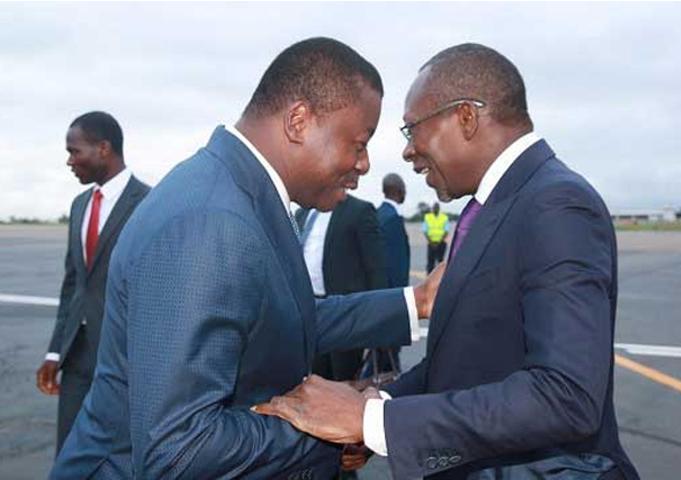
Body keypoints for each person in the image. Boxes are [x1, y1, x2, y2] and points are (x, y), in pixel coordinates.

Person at [50, 38, 441, 480]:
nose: (365, 164)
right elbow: (179, 450)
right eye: (359, 143)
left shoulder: (243, 194)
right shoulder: (210, 220)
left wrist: (417, 301)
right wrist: (334, 428)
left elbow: (284, 318)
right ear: (298, 120)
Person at [255, 43, 640, 480]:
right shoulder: (493, 207)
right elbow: (463, 363)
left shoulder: (556, 204)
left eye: (412, 129)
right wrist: (376, 404)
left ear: (466, 117)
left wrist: (374, 423)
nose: (407, 151)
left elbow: (566, 395)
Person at [35, 111, 149, 454]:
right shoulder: (80, 205)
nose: (69, 161)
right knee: (69, 453)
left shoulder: (149, 204)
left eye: (75, 151)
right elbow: (73, 285)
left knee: (119, 456)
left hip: (124, 357)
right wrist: (55, 351)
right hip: (77, 355)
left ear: (103, 148)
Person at [297, 194, 388, 383]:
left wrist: (379, 317)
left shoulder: (359, 211)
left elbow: (375, 267)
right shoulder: (302, 214)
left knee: (344, 379)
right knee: (314, 380)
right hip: (311, 309)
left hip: (345, 312)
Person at [372, 173, 411, 373]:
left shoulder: (376, 215)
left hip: (375, 297)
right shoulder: (392, 219)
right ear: (399, 191)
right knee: (388, 360)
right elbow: (396, 268)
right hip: (391, 299)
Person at [423, 201, 449, 273]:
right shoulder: (427, 217)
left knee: (440, 262)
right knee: (430, 262)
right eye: (434, 207)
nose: (436, 209)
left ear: (439, 208)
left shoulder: (444, 217)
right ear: (432, 208)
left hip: (441, 243)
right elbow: (425, 231)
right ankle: (429, 276)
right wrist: (431, 242)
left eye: (437, 207)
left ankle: (440, 277)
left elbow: (446, 231)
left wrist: (439, 242)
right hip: (431, 243)